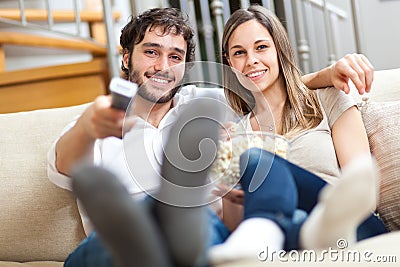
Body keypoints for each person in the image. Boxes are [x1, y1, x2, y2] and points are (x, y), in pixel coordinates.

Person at [46, 6, 379, 267]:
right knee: (108, 243)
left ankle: (170, 216)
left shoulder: (207, 104)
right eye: (151, 52)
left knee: (199, 216)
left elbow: (270, 87)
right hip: (117, 237)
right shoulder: (96, 124)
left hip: (198, 227)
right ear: (127, 57)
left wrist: (326, 74)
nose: (163, 65)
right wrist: (89, 125)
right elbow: (65, 163)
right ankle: (149, 228)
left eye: (175, 56)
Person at [207, 5, 387, 263]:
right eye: (239, 53)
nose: (251, 60)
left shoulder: (328, 97)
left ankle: (318, 228)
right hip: (285, 235)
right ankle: (309, 233)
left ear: (279, 49)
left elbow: (362, 186)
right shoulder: (238, 134)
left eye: (261, 47)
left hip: (355, 225)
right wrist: (228, 188)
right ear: (229, 62)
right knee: (286, 219)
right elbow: (239, 231)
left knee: (258, 159)